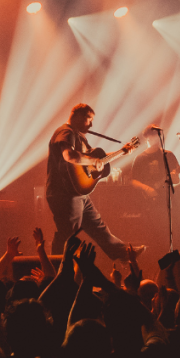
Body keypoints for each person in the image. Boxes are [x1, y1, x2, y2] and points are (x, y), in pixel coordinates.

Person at [46, 104, 138, 260]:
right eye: (89, 119)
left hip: (77, 191)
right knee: (67, 234)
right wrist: (93, 161)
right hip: (64, 194)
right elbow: (69, 156)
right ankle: (54, 272)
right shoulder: (65, 132)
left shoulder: (79, 136)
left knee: (98, 227)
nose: (91, 124)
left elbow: (95, 160)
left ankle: (123, 254)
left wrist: (122, 151)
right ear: (77, 116)